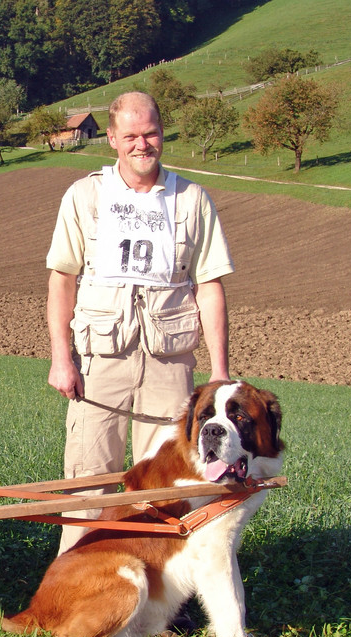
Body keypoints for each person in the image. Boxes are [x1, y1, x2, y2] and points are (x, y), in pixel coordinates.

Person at [46, 91, 234, 555]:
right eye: (130, 135)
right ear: (111, 138)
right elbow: (61, 280)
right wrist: (60, 358)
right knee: (88, 484)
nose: (141, 144)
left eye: (150, 133)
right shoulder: (84, 196)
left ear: (162, 134)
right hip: (99, 361)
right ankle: (74, 587)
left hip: (169, 361)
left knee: (167, 484)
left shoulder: (192, 200)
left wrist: (219, 372)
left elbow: (209, 286)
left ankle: (160, 598)